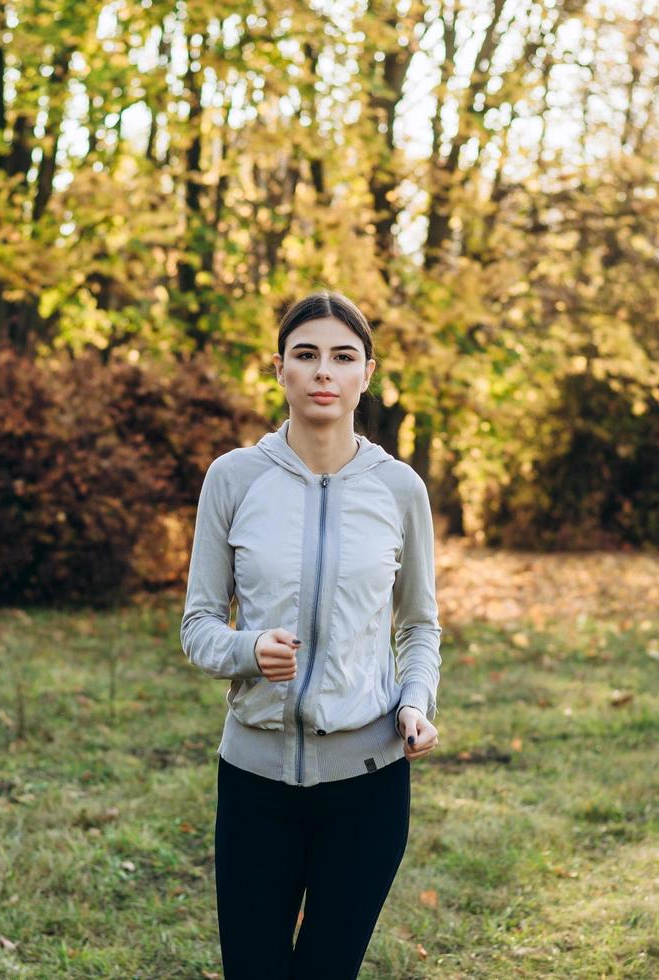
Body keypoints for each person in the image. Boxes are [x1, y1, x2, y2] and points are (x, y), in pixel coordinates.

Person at [181, 290, 443, 978]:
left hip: (368, 785)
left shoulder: (400, 488)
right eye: (306, 355)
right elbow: (199, 625)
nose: (323, 371)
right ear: (280, 371)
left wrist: (415, 700)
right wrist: (247, 649)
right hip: (254, 782)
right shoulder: (234, 479)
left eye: (342, 356)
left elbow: (418, 624)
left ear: (366, 374)